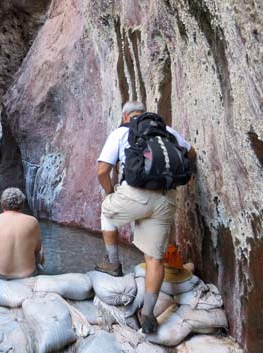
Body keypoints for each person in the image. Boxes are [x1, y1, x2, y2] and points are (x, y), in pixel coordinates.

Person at [95, 101, 196, 333]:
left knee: (107, 211)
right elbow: (191, 153)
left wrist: (110, 192)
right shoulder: (166, 131)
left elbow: (102, 170)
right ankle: (149, 316)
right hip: (166, 198)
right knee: (154, 259)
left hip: (134, 194)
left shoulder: (121, 132)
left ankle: (113, 264)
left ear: (125, 115)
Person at [0, 187, 44, 279]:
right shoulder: (33, 221)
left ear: (2, 204)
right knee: (41, 249)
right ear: (22, 204)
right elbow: (37, 251)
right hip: (28, 274)